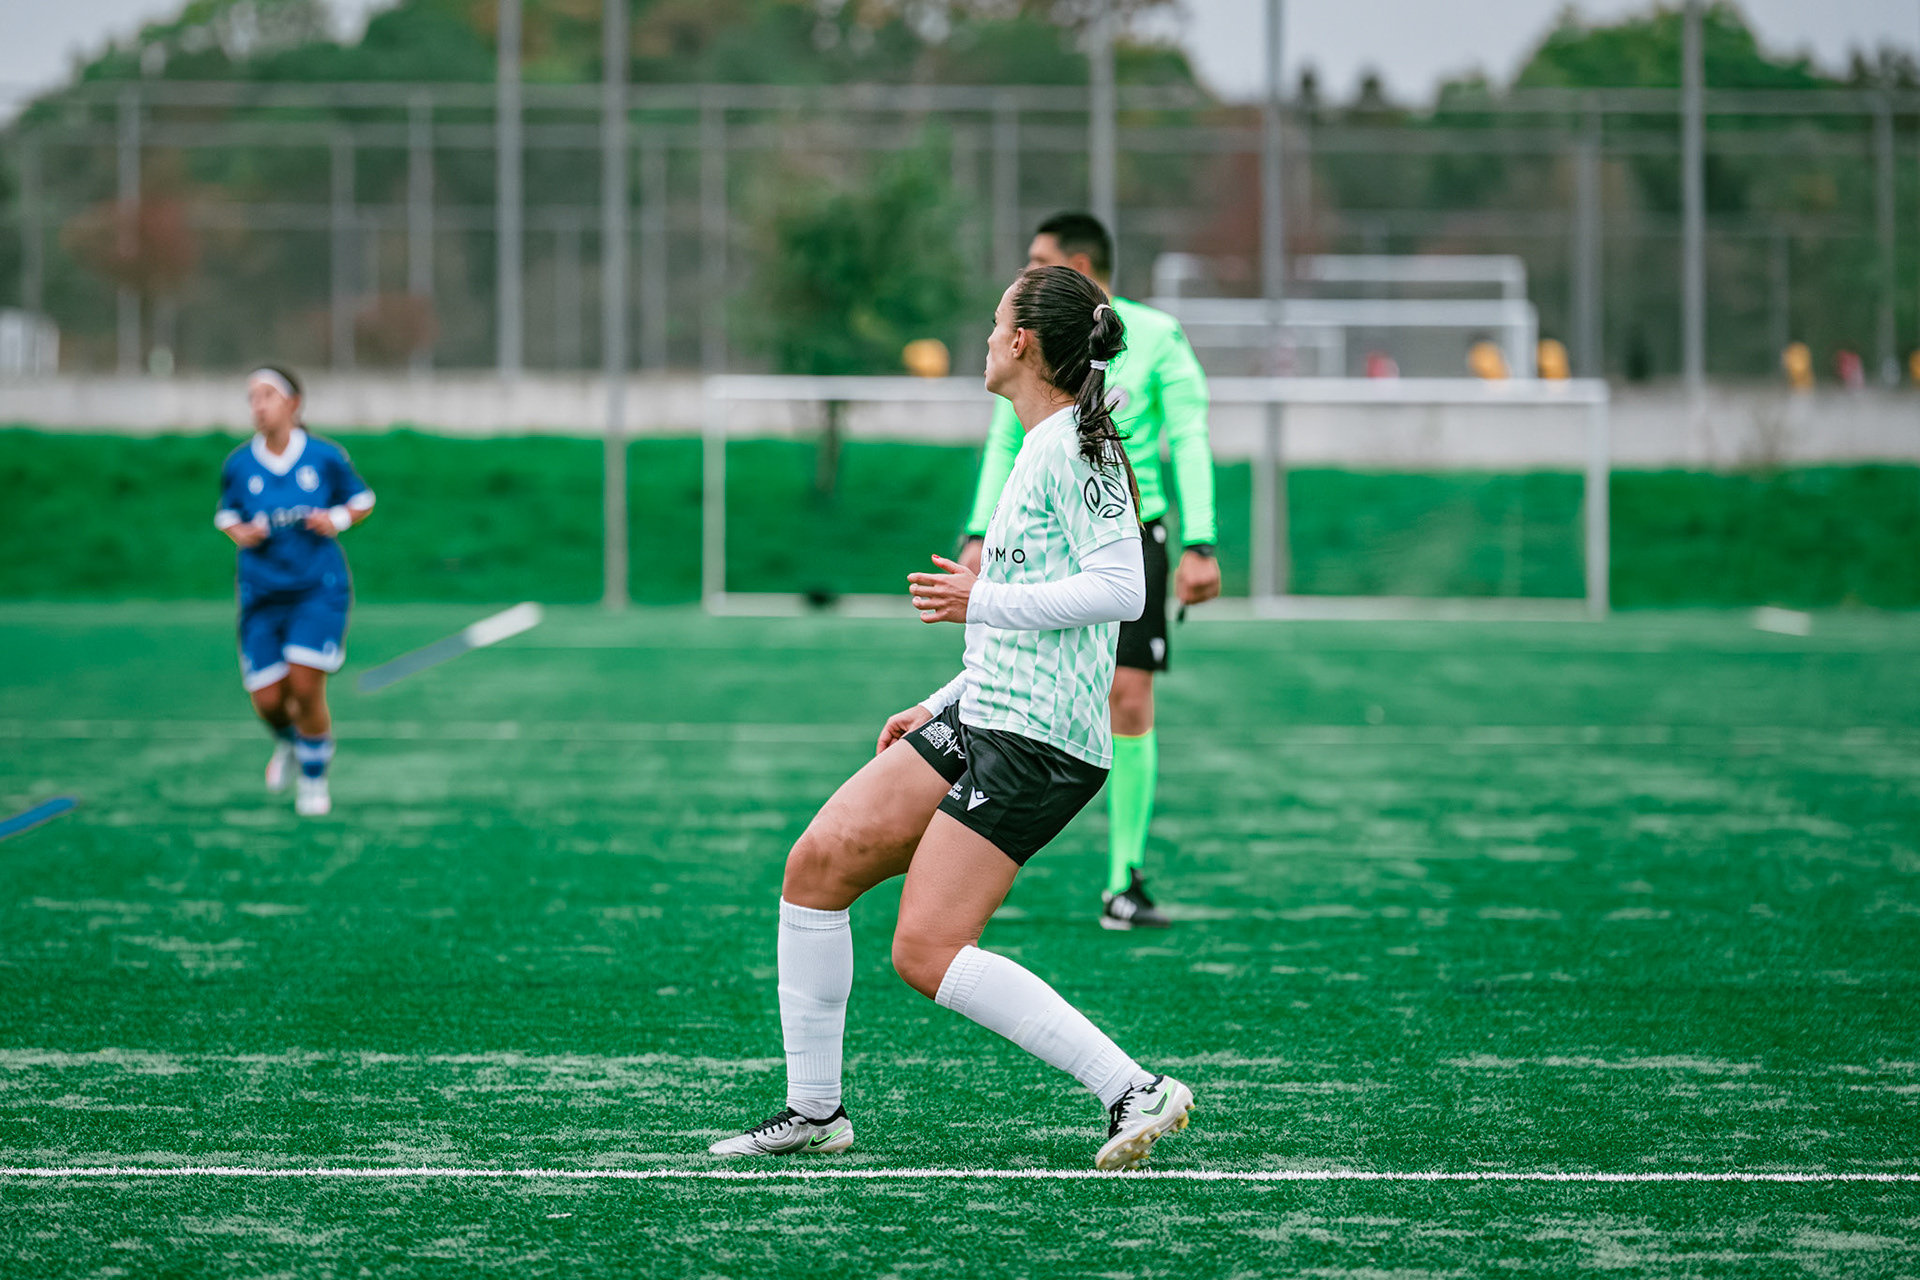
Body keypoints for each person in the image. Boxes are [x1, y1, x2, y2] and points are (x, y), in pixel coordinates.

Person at [708, 265, 1195, 1170]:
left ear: (1021, 343)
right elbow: (1014, 613)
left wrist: (983, 598)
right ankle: (814, 1111)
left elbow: (1123, 589)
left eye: (994, 320)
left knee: (927, 950)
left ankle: (1134, 1089)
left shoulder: (1075, 448)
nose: (982, 335)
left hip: (1038, 744)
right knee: (816, 866)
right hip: (987, 713)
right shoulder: (1036, 443)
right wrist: (939, 701)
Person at [959, 213, 1220, 931]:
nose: (1027, 275)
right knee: (1016, 675)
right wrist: (980, 532)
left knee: (1128, 698)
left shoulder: (1158, 337)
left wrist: (1201, 539)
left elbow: (1191, 436)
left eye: (1040, 262)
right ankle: (981, 845)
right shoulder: (1031, 349)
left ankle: (1122, 880)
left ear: (1078, 263)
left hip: (1135, 535)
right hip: (1046, 538)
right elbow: (1002, 437)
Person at [215, 367, 374, 817]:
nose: (258, 405)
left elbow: (362, 499)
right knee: (268, 702)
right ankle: (289, 743)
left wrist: (337, 519)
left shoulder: (324, 456)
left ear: (293, 403)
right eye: (252, 397)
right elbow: (225, 513)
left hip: (316, 588)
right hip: (261, 594)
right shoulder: (239, 463)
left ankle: (314, 778)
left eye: (267, 395)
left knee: (305, 687)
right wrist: (239, 532)